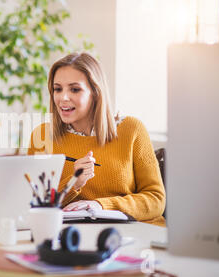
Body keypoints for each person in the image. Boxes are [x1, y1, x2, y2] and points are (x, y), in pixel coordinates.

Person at [28, 52, 165, 226]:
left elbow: (156, 200)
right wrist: (73, 183)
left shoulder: (132, 129)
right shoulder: (41, 136)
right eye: (58, 89)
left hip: (135, 232)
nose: (63, 97)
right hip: (73, 236)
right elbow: (35, 206)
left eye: (75, 89)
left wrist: (101, 205)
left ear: (95, 92)